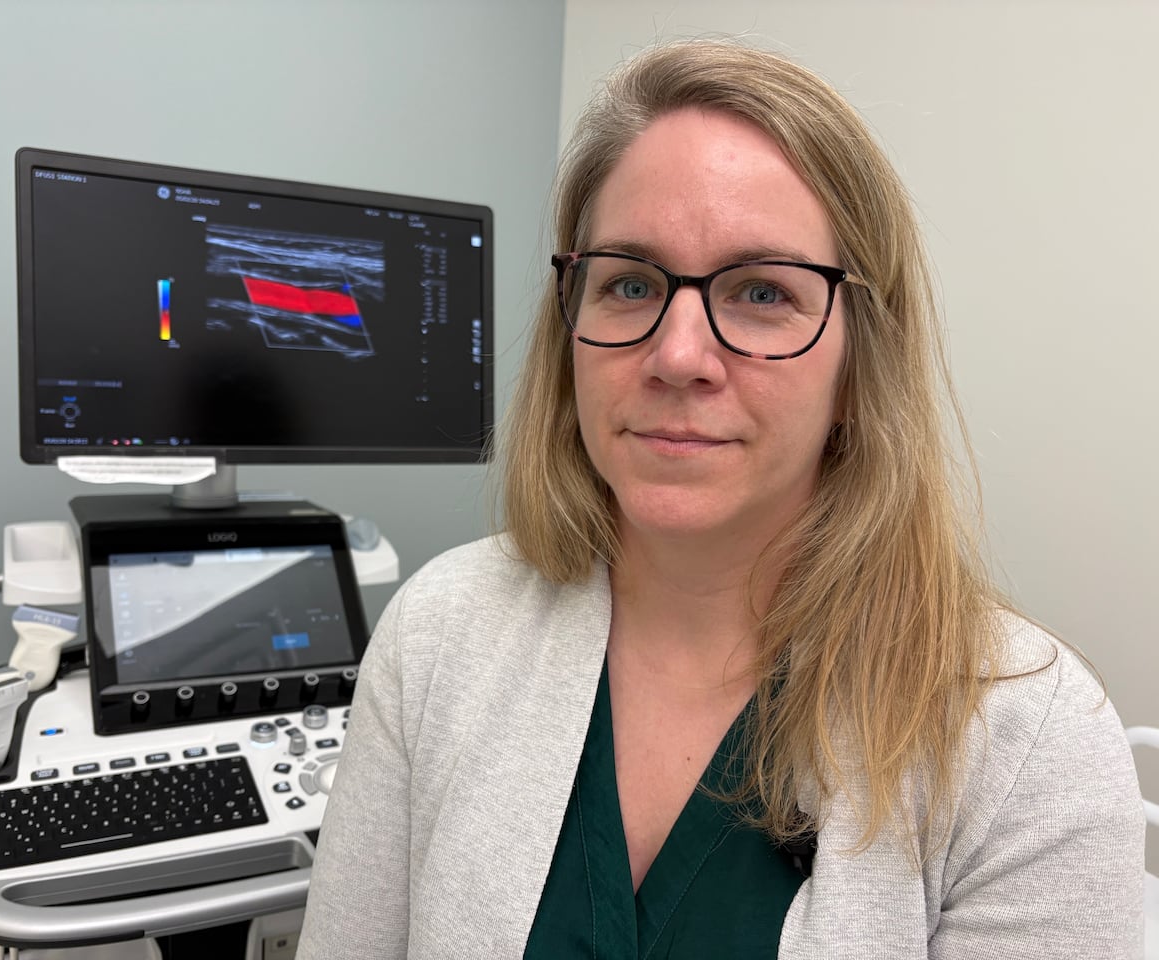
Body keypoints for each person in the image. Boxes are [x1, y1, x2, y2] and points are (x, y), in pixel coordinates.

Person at [296, 39, 1144, 959]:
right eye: (629, 282)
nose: (678, 357)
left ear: (862, 361)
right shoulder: (440, 632)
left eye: (761, 292)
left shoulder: (1028, 739)